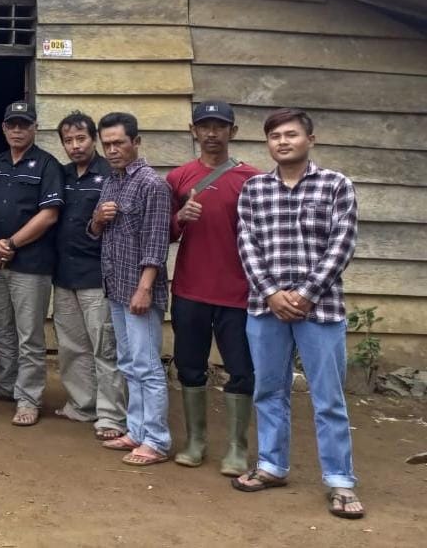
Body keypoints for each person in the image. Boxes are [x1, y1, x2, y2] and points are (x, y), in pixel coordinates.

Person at [233, 108, 364, 520]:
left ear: (311, 139)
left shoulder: (336, 186)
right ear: (268, 144)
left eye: (291, 134)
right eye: (275, 136)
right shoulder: (254, 190)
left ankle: (340, 480)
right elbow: (247, 245)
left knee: (328, 399)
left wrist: (305, 294)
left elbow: (342, 245)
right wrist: (272, 293)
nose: (283, 142)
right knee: (269, 391)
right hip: (265, 309)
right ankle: (272, 465)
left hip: (321, 310)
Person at [167, 101, 261, 476]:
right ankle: (196, 441)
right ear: (193, 131)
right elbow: (161, 232)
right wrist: (179, 218)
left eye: (219, 127)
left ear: (232, 132)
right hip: (190, 289)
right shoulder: (178, 179)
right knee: (190, 366)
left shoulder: (251, 179)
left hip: (238, 293)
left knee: (240, 369)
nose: (211, 133)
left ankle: (237, 448)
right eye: (203, 126)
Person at [88, 111, 172, 466]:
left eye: (119, 143)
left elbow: (156, 243)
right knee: (128, 362)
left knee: (148, 364)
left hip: (139, 289)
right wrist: (97, 219)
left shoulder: (152, 184)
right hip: (115, 285)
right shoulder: (111, 181)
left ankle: (157, 439)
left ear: (136, 142)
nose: (112, 150)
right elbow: (94, 232)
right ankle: (136, 430)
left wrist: (145, 288)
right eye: (106, 144)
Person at [0, 101, 64, 427]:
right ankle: (5, 383)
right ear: (3, 128)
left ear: (34, 128)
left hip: (31, 263)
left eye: (23, 125)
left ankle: (28, 398)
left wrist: (12, 243)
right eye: (12, 124)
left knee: (29, 334)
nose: (17, 130)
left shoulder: (47, 165)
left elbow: (49, 214)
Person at [52, 111, 127, 442]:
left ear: (93, 139)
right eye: (68, 141)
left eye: (81, 138)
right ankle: (82, 404)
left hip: (98, 274)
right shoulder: (61, 175)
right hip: (64, 273)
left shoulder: (110, 175)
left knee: (104, 347)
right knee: (71, 345)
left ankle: (111, 415)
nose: (75, 146)